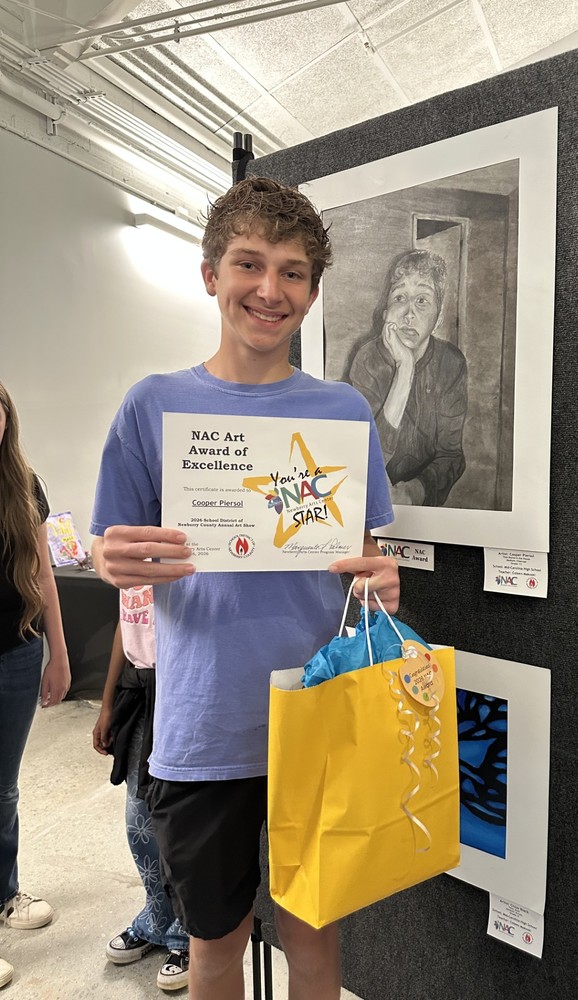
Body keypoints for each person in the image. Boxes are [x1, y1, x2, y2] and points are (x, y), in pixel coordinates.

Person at [89, 176, 400, 1000]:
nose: (270, 289)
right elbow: (110, 544)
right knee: (214, 947)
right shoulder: (152, 406)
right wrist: (113, 558)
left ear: (313, 291)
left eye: (293, 272)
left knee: (315, 940)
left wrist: (382, 580)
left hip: (320, 714)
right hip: (204, 723)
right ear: (210, 275)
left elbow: (364, 559)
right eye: (249, 264)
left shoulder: (343, 410)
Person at [0, 381, 70, 990]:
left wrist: (58, 654)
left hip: (17, 653)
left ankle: (5, 893)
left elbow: (45, 573)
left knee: (2, 789)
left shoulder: (23, 482)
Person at [93, 587, 190, 992]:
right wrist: (108, 702)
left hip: (180, 693)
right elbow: (125, 623)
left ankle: (187, 932)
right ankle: (157, 916)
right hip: (138, 691)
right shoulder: (132, 550)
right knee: (139, 822)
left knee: (181, 823)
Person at [348, 249, 468, 507]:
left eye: (422, 300)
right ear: (385, 313)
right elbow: (366, 457)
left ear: (438, 317)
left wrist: (414, 492)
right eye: (400, 297)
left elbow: (451, 455)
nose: (409, 313)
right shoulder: (367, 359)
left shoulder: (451, 363)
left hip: (421, 501)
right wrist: (405, 368)